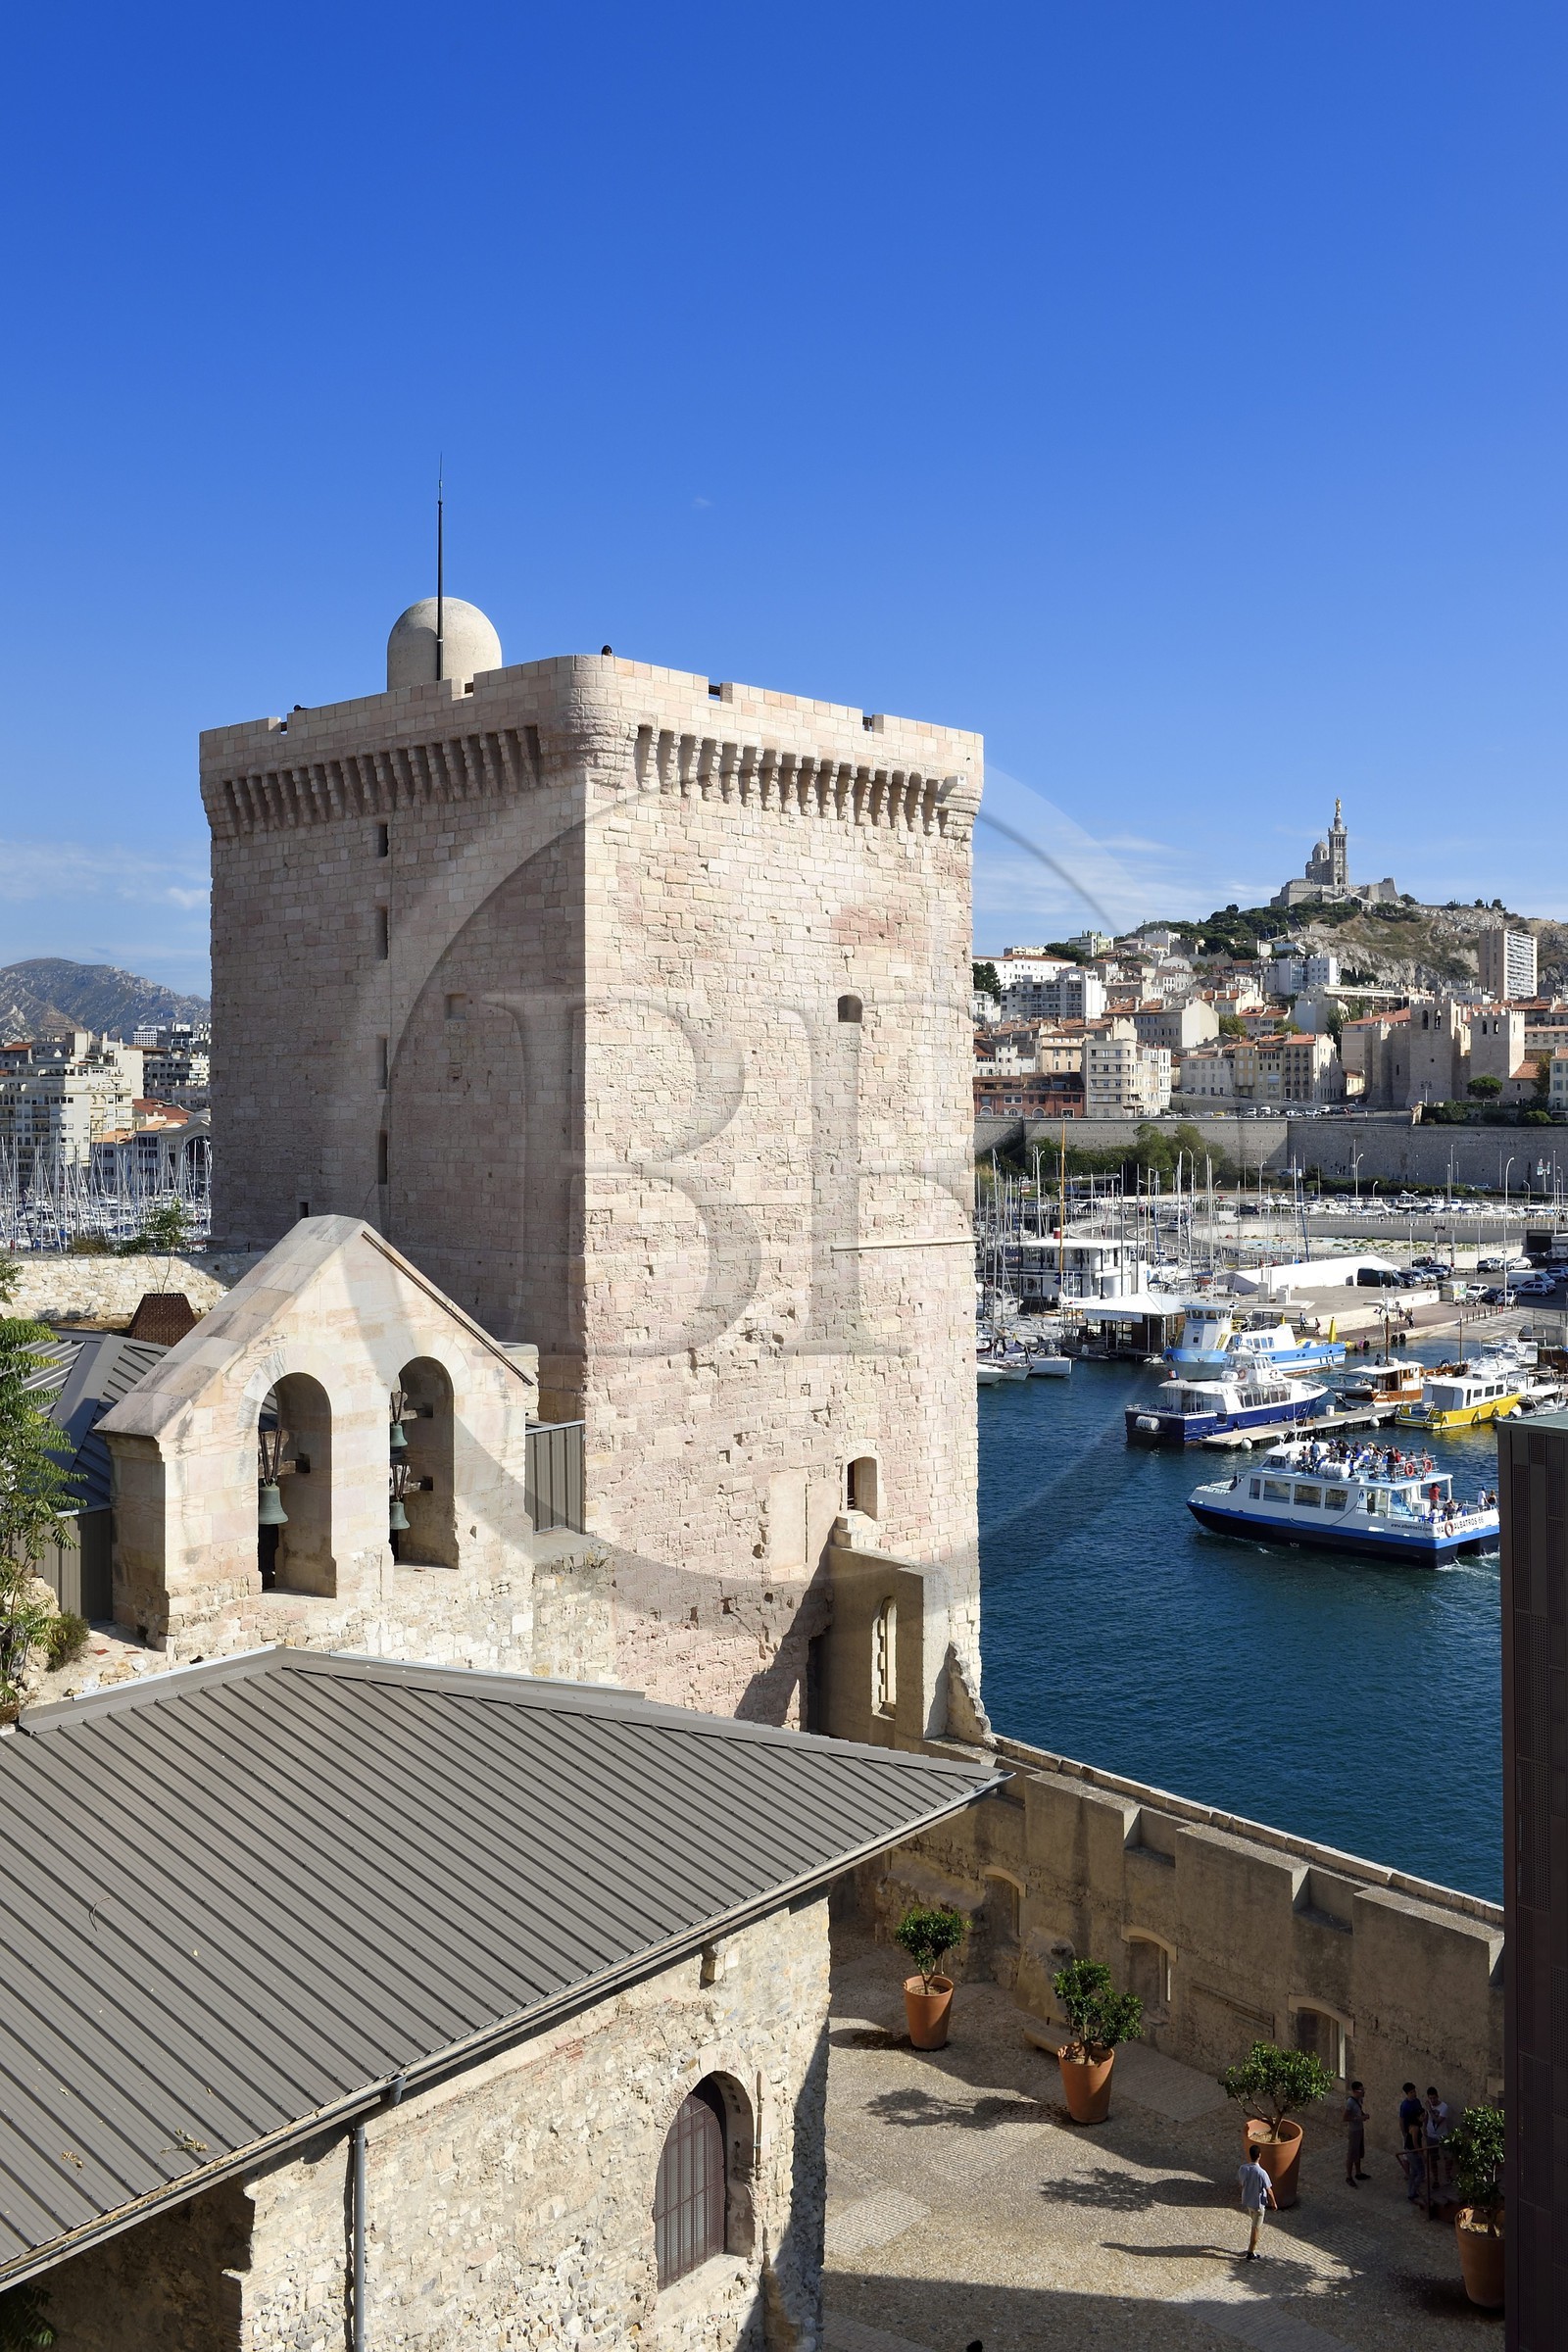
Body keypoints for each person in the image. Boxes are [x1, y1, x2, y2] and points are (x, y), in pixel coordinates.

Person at [1238, 2143, 1278, 2258]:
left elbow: (1241, 2183)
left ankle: (1251, 2250)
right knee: (1256, 2228)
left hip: (1248, 2202)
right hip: (1258, 2204)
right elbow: (1269, 2190)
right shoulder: (1262, 2173)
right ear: (1259, 2156)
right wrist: (1274, 2203)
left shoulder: (1243, 2168)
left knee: (1254, 2223)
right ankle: (1251, 2252)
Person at [1424, 2085, 1450, 2212]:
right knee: (1433, 2158)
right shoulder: (1428, 2106)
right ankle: (1435, 2179)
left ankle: (1448, 2177)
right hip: (1431, 2136)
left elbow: (1438, 2121)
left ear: (1437, 2096)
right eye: (1430, 2098)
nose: (1432, 2101)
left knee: (1447, 2157)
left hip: (1442, 2136)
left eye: (1434, 2098)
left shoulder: (1444, 2107)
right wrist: (1424, 2130)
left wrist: (1429, 2109)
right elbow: (1426, 2119)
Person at [1398, 2082, 1426, 2203]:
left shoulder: (1417, 2102)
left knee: (1414, 2172)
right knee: (1419, 2172)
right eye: (1411, 2092)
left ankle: (1411, 2192)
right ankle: (1413, 2192)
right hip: (1411, 2143)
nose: (1414, 2094)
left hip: (1412, 2137)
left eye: (1414, 2091)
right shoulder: (1405, 2106)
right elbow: (1401, 2119)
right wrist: (1421, 2154)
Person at [1344, 2081, 1369, 2183]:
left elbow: (1359, 2111)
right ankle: (1349, 2177)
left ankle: (1358, 2173)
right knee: (1351, 2154)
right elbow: (1345, 2117)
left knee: (1358, 2152)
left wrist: (1363, 2115)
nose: (1363, 2092)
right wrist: (1359, 2118)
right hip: (1354, 2131)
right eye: (1361, 2090)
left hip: (1359, 2129)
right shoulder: (1350, 2102)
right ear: (1355, 2091)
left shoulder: (1359, 2100)